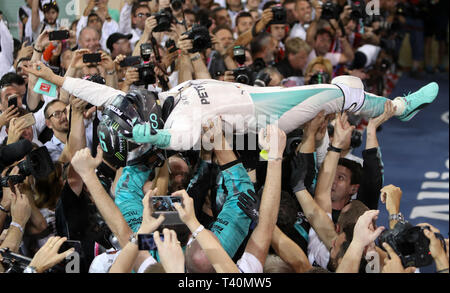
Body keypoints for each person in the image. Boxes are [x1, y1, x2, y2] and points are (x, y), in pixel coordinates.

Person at [22, 60, 439, 155]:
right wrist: (159, 138)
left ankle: (393, 108)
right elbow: (182, 139)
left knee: (348, 84)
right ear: (144, 121)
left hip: (254, 96)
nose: (136, 94)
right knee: (340, 92)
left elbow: (105, 97)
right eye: (137, 104)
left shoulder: (156, 101)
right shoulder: (180, 122)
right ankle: (400, 107)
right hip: (265, 115)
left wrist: (57, 79)